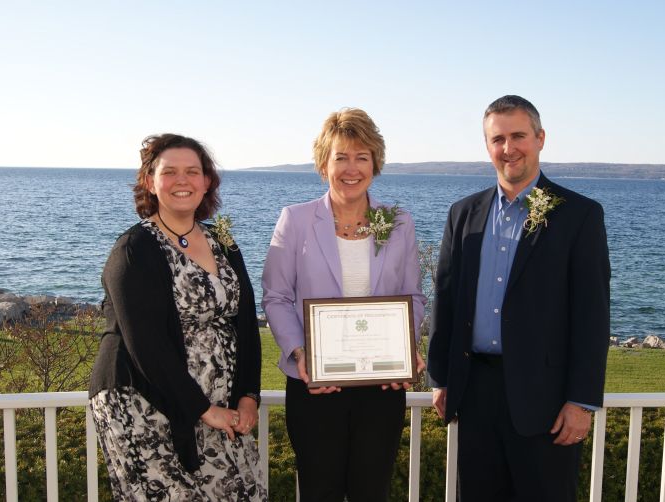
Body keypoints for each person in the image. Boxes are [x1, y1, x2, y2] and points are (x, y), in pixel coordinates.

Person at [427, 95, 610, 501]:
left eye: (518, 136)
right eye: (498, 139)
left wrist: (581, 401)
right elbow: (446, 299)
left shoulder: (579, 215)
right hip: (474, 395)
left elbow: (592, 316)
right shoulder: (463, 214)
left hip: (545, 401)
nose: (508, 149)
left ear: (540, 138)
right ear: (487, 145)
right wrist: (440, 378)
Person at [89, 134, 266, 501]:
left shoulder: (224, 243)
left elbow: (246, 323)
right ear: (150, 182)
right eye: (169, 172)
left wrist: (248, 394)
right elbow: (146, 345)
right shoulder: (134, 250)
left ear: (206, 182)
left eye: (192, 171)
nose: (182, 181)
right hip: (145, 403)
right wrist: (202, 409)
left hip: (219, 407)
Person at [262, 108, 427, 501]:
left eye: (362, 157)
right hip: (314, 384)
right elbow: (277, 296)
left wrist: (406, 348)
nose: (351, 168)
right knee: (319, 492)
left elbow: (413, 296)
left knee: (373, 491)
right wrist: (300, 352)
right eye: (341, 157)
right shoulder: (295, 219)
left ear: (375, 163)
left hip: (381, 387)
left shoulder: (398, 222)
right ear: (323, 164)